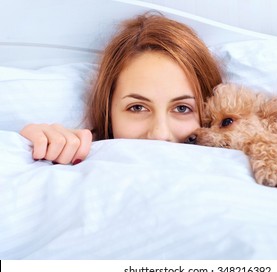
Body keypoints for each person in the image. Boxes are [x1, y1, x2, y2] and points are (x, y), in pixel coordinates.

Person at [20, 12, 223, 165]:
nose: (160, 134)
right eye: (137, 107)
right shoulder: (84, 160)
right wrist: (30, 145)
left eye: (182, 108)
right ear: (108, 113)